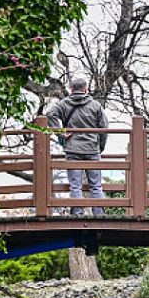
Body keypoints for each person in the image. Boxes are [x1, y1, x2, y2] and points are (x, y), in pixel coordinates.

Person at [46, 78, 108, 216]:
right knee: (96, 185)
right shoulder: (95, 105)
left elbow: (50, 114)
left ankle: (77, 213)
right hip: (92, 148)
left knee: (75, 185)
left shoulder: (64, 104)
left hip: (72, 148)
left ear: (71, 88)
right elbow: (104, 127)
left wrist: (60, 133)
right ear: (86, 89)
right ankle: (99, 213)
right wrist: (100, 147)